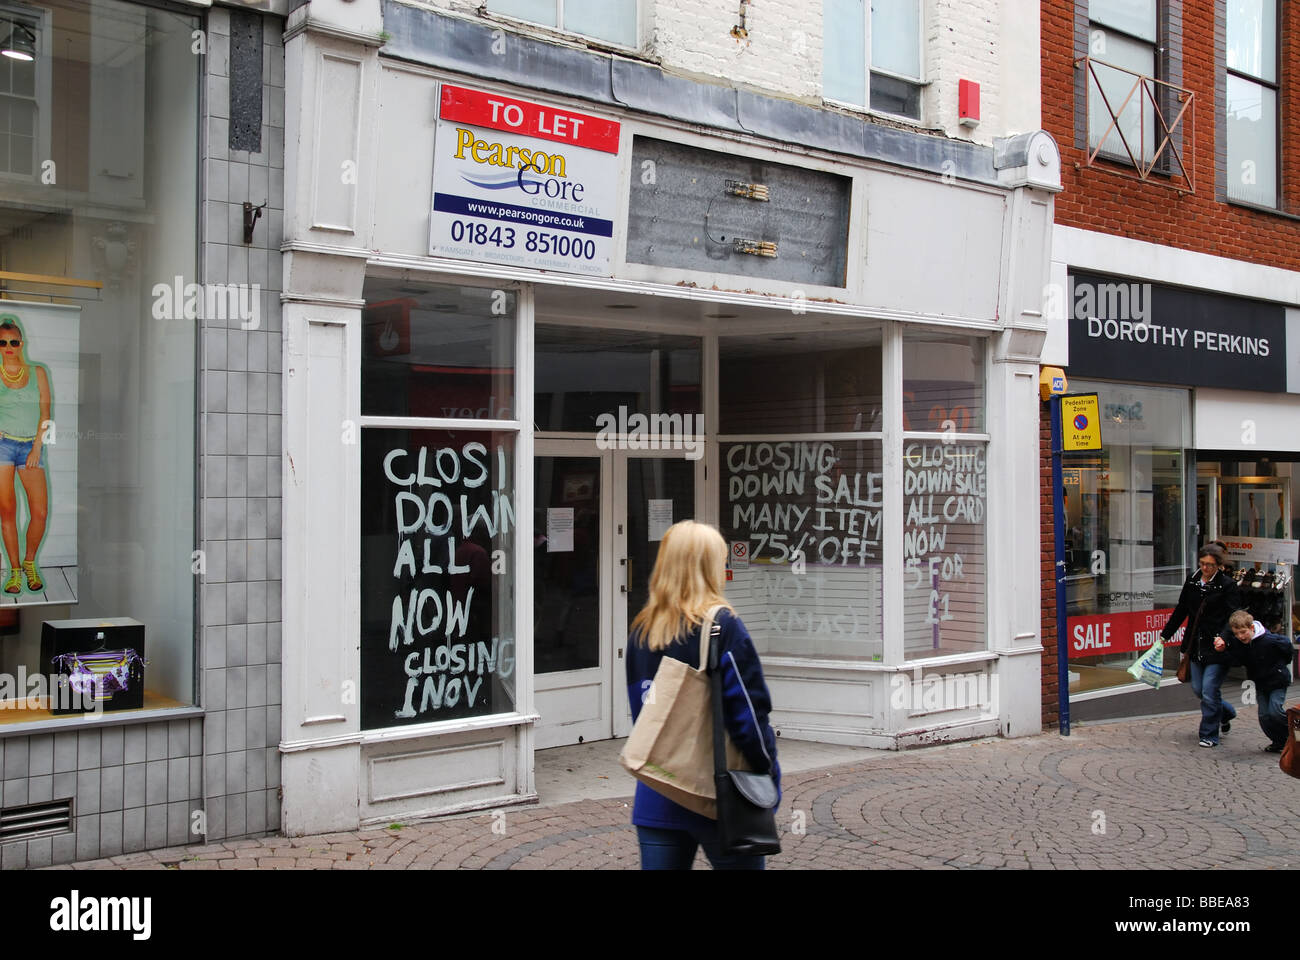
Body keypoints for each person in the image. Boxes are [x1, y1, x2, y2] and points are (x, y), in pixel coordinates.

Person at [625, 519, 779, 870]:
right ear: (709, 566)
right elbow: (749, 717)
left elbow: (643, 713)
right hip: (721, 793)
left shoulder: (643, 629)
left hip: (658, 789)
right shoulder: (723, 625)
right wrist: (768, 775)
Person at [1161, 544, 1241, 747]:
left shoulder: (1227, 585)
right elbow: (1182, 609)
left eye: (1210, 565)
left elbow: (1233, 615)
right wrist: (1166, 635)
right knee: (1198, 689)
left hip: (1217, 645)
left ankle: (1208, 734)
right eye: (1203, 564)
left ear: (1219, 566)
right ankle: (1226, 712)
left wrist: (1224, 636)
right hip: (1195, 644)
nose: (1205, 568)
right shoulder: (1193, 580)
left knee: (1209, 690)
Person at [0, 316, 50, 594]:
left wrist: (37, 447)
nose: (8, 346)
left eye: (13, 341)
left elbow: (45, 413)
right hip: (3, 447)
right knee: (7, 511)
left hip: (30, 446)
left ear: (22, 343)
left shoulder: (38, 372)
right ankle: (15, 571)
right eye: (2, 342)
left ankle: (30, 562)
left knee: (40, 512)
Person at [1215, 610, 1293, 753]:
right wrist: (1223, 651)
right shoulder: (1239, 644)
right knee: (1264, 716)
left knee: (1275, 711)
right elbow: (1236, 660)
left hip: (1277, 680)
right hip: (1260, 683)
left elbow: (1287, 647)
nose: (1240, 636)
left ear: (1251, 628)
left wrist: (1281, 665)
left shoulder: (1269, 640)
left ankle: (1293, 735)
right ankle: (1279, 742)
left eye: (1243, 632)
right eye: (1237, 633)